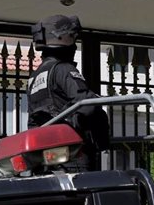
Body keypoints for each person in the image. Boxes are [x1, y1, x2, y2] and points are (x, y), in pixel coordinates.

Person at [27, 14, 109, 172]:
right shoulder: (63, 69)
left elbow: (32, 120)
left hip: (48, 157)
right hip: (72, 155)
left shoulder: (35, 77)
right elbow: (85, 103)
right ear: (65, 40)